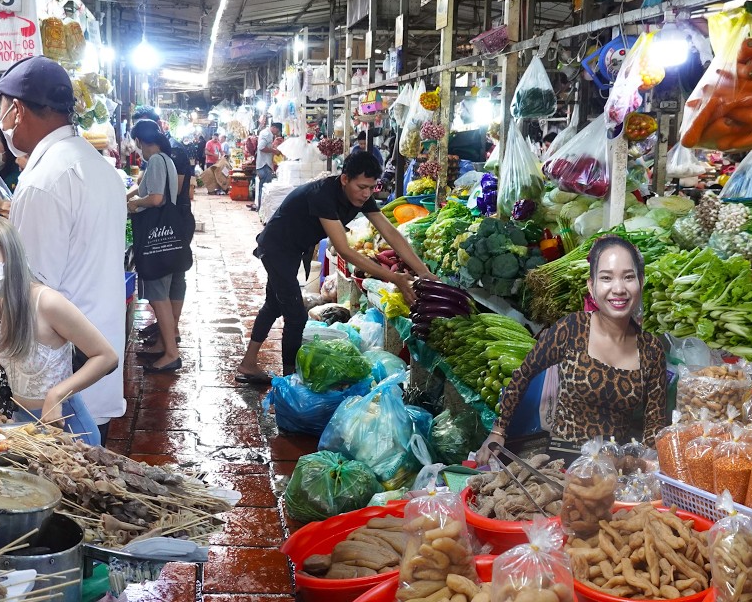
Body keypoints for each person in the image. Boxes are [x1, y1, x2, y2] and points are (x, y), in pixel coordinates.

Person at [0, 56, 128, 443]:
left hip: (60, 388)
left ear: (17, 110)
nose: (1, 122)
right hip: (94, 365)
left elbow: (31, 290)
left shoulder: (44, 181)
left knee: (66, 477)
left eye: (1, 109)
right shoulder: (97, 165)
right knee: (94, 466)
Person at [235, 151, 437, 383]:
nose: (366, 193)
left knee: (274, 305)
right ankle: (290, 383)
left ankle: (249, 364)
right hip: (277, 248)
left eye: (372, 188)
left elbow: (390, 232)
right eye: (362, 187)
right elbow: (344, 250)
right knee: (296, 317)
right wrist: (394, 278)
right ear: (344, 179)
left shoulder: (362, 197)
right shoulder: (323, 195)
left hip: (293, 248)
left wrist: (423, 271)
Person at [475, 235, 667, 466]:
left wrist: (647, 466)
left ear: (641, 281)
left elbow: (654, 424)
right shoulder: (572, 328)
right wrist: (498, 431)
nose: (618, 288)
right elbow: (522, 375)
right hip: (562, 463)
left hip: (614, 468)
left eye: (628, 277)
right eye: (606, 278)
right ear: (592, 286)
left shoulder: (651, 350)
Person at [0, 216, 117, 446]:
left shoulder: (47, 302)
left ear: (11, 257)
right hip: (25, 428)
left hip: (68, 430)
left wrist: (58, 393)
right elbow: (23, 356)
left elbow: (107, 356)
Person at [127, 120, 189, 374]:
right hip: (170, 236)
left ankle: (171, 354)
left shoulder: (154, 161)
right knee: (167, 290)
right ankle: (165, 343)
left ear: (140, 141)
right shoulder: (167, 159)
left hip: (155, 238)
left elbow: (155, 199)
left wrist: (134, 204)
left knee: (157, 295)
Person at [250, 121, 282, 211]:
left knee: (263, 187)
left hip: (263, 164)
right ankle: (261, 208)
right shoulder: (267, 134)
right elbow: (261, 147)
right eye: (278, 131)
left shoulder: (266, 133)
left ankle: (260, 208)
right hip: (265, 165)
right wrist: (274, 151)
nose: (277, 133)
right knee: (264, 188)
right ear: (274, 127)